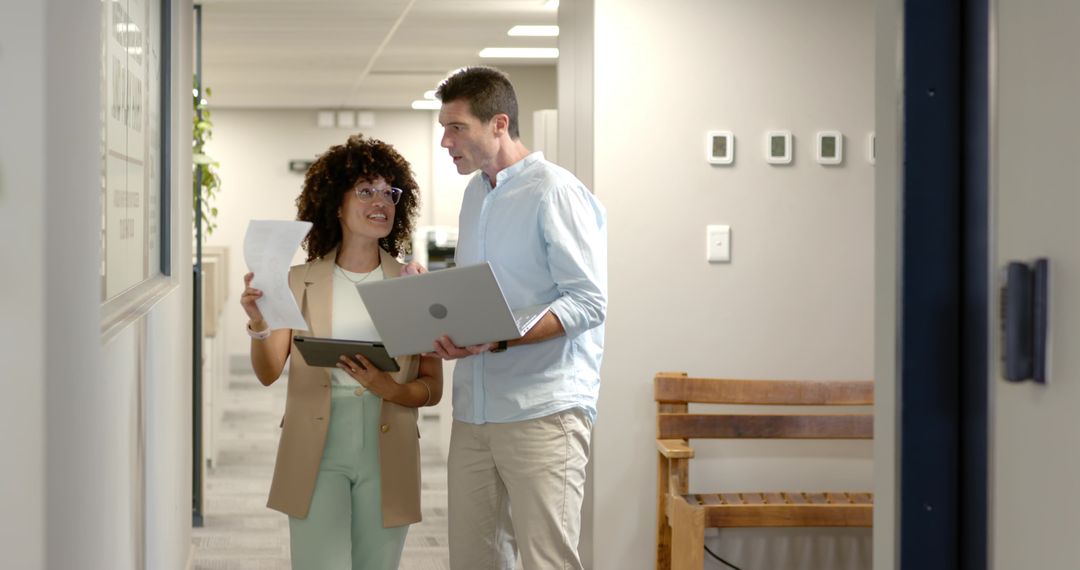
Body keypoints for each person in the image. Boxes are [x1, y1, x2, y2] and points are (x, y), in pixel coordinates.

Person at [239, 134, 443, 570]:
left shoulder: (413, 283)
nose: (381, 201)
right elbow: (269, 371)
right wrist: (259, 323)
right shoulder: (297, 281)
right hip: (316, 450)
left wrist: (388, 387)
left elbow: (432, 389)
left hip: (388, 452)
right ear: (336, 203)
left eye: (389, 192)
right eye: (365, 190)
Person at [432, 66, 608, 570]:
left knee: (546, 560)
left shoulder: (555, 191)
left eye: (456, 127)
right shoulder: (475, 195)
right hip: (475, 412)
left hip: (544, 410)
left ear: (499, 125)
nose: (446, 141)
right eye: (443, 128)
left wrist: (501, 337)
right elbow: (482, 295)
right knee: (473, 559)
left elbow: (588, 301)